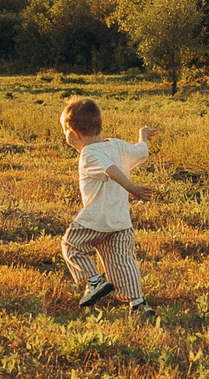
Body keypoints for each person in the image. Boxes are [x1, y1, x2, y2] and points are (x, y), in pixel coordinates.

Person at [58, 96, 156, 310]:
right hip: (120, 221)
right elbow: (141, 151)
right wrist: (143, 136)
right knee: (122, 261)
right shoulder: (117, 145)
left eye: (64, 131)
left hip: (96, 219)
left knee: (72, 245)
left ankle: (94, 281)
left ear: (75, 133)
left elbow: (109, 170)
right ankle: (138, 303)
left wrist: (130, 187)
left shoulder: (89, 154)